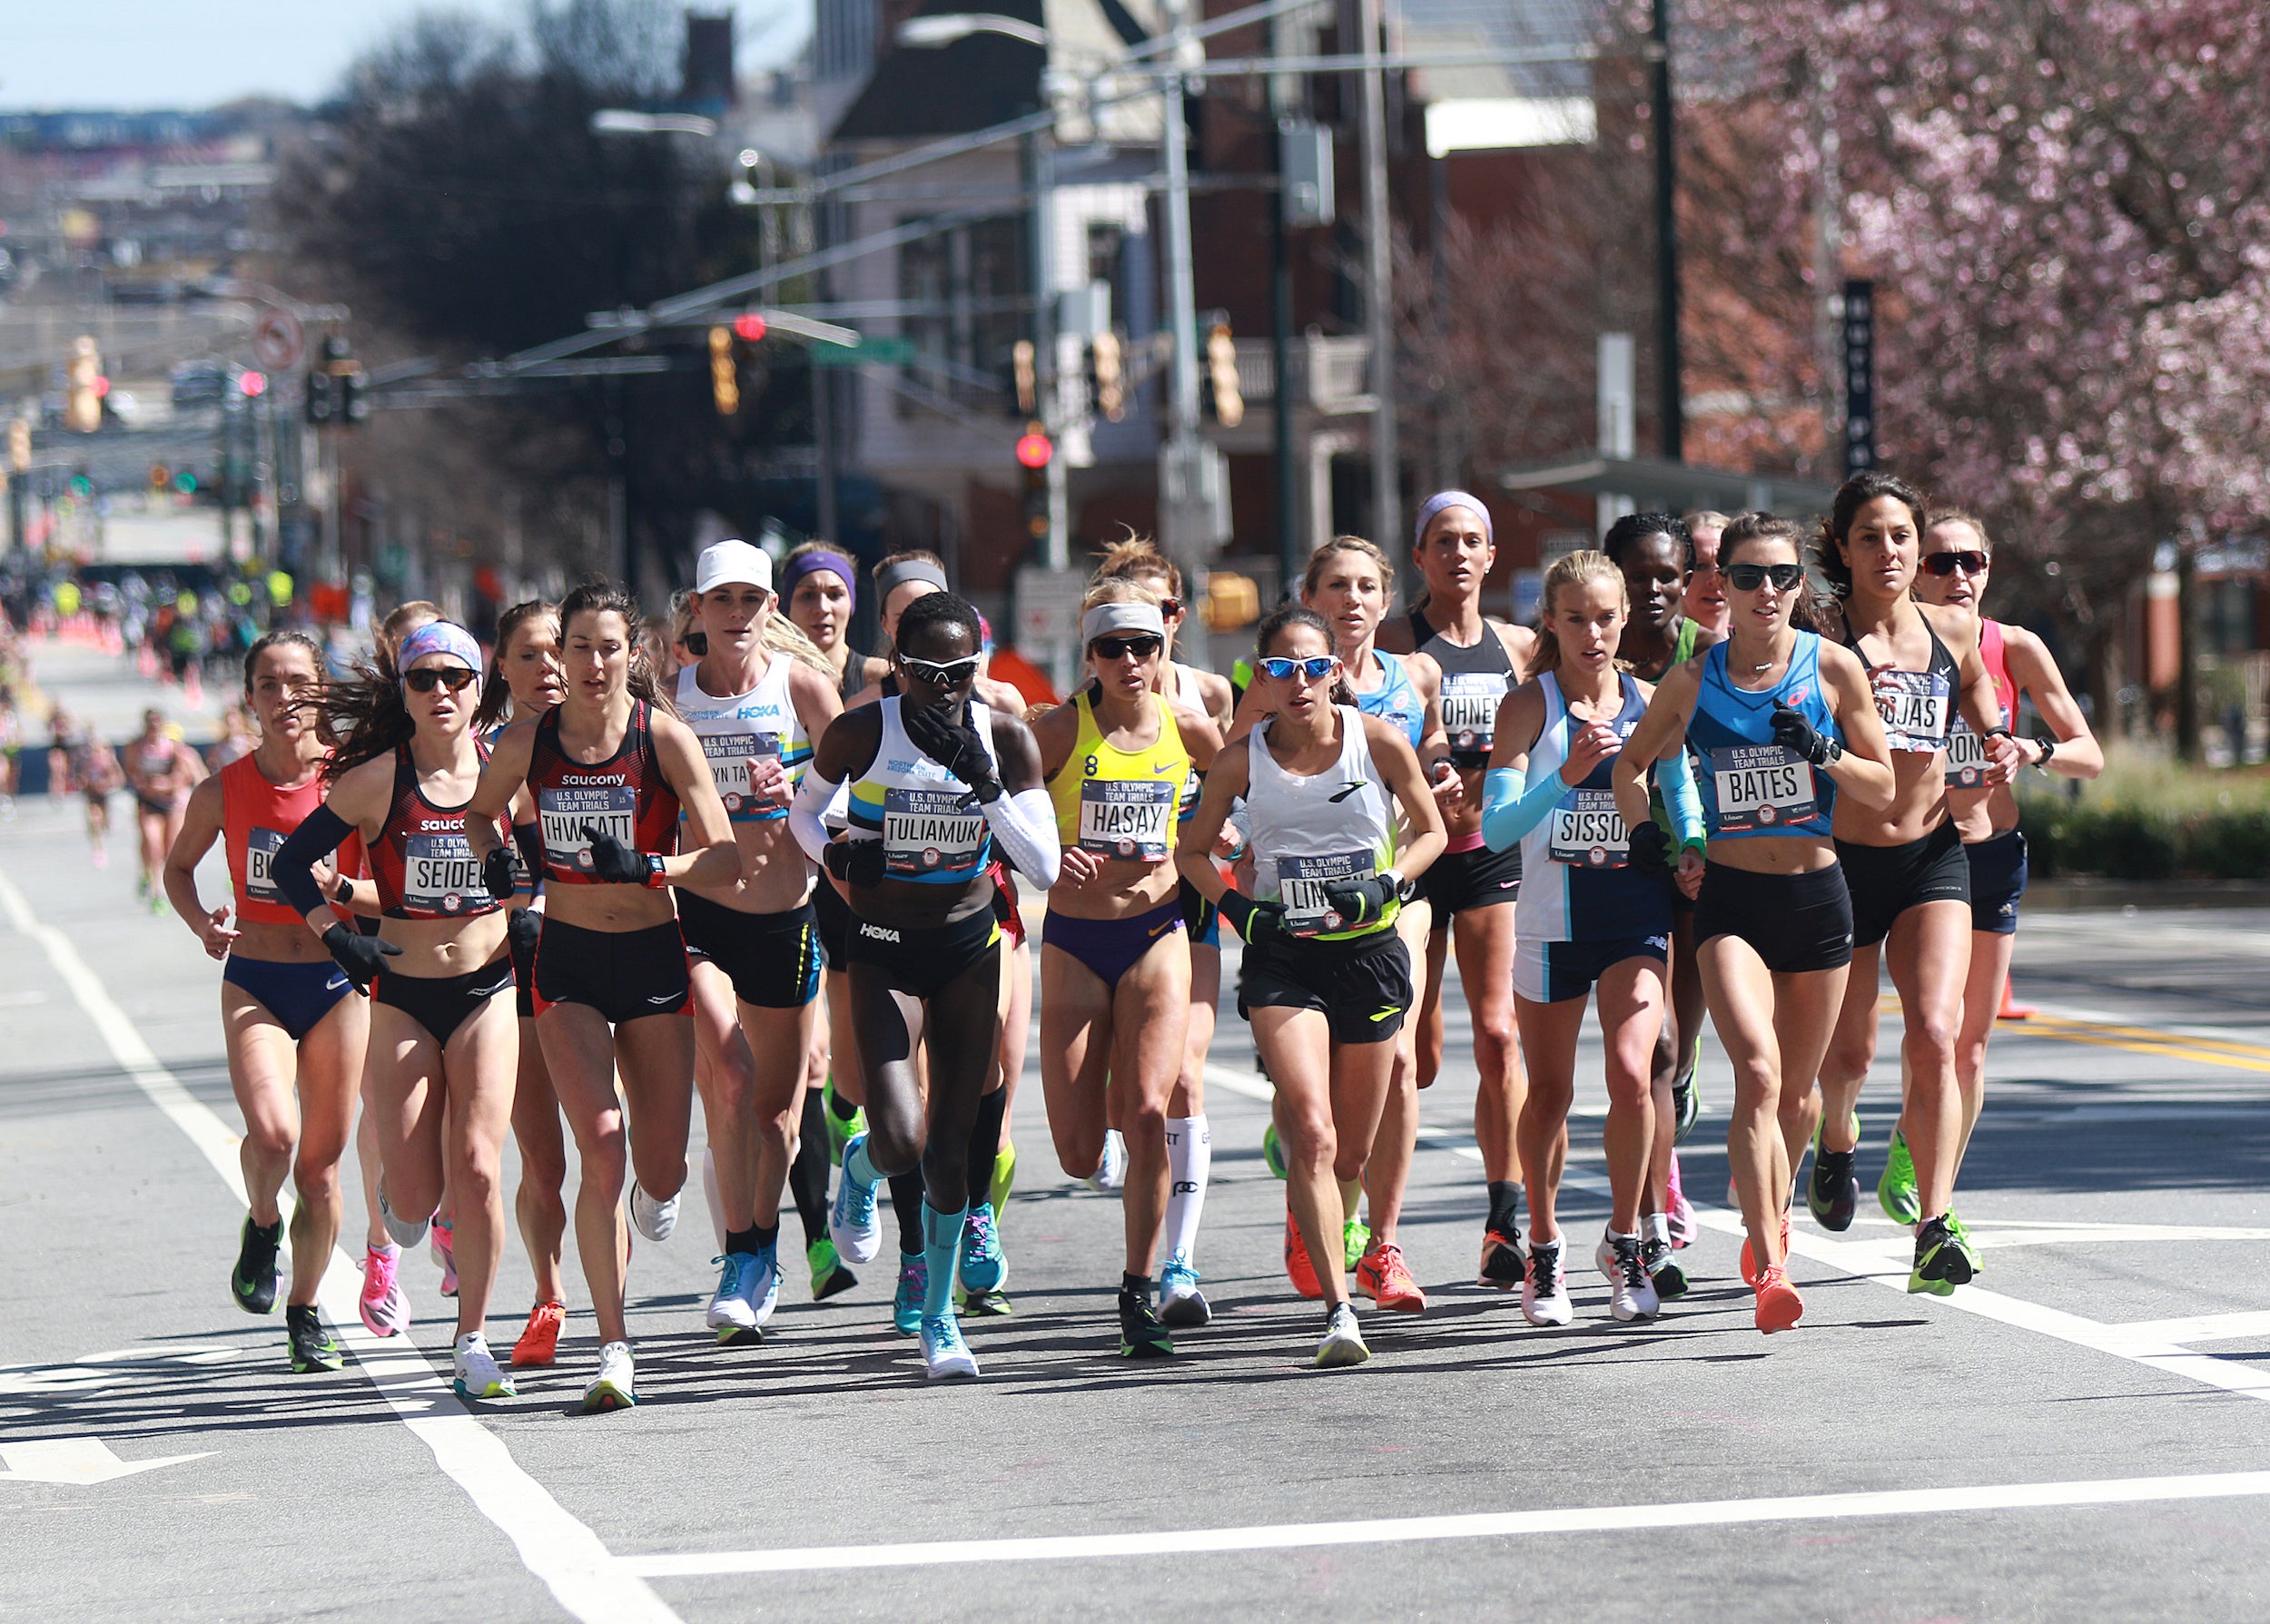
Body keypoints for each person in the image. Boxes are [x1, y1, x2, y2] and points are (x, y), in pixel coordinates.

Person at [1611, 512, 1895, 1333]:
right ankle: (1769, 1259)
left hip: (1817, 899)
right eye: (1745, 576)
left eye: (1779, 576)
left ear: (1799, 585)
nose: (1763, 591)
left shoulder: (1833, 667)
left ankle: (1776, 1208)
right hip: (1731, 904)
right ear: (1720, 586)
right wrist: (1653, 844)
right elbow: (1633, 768)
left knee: (1799, 1097)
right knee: (1761, 1079)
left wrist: (1821, 749)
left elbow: (1885, 790)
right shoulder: (1695, 678)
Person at [465, 580, 740, 1412]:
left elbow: (726, 857)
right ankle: (614, 1346)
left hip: (655, 958)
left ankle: (660, 1191)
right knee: (602, 1145)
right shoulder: (528, 739)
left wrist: (656, 866)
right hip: (569, 961)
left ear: (634, 654)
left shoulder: (665, 738)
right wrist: (498, 862)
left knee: (653, 1169)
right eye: (573, 647)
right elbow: (479, 816)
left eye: (605, 646)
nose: (588, 662)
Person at [788, 590, 1059, 1380]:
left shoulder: (1005, 738)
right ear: (898, 665)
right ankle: (863, 1172)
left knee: (952, 1158)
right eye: (926, 672)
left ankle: (940, 1320)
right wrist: (838, 860)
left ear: (979, 666)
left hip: (970, 949)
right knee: (902, 1139)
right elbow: (806, 818)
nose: (944, 689)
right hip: (881, 948)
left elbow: (1041, 865)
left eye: (960, 672)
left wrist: (987, 785)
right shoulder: (861, 730)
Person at [1178, 605, 1446, 1367]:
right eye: (1279, 668)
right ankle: (1338, 1313)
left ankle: (1325, 1218)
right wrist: (1241, 911)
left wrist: (1385, 887)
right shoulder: (1240, 759)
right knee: (1315, 1130)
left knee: (1351, 1152)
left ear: (1334, 670)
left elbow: (1428, 832)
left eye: (1312, 666)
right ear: (1259, 677)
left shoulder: (1379, 742)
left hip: (1368, 955)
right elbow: (1195, 852)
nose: (1297, 682)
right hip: (1283, 959)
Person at [271, 621, 531, 1399]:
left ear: (480, 689)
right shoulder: (376, 781)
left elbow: (556, 860)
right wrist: (336, 936)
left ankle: (474, 1338)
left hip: (488, 985)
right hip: (403, 996)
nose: (443, 691)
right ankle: (400, 1204)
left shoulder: (507, 776)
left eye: (457, 677)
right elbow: (289, 863)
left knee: (482, 1166)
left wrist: (532, 909)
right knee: (415, 1202)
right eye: (425, 680)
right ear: (406, 695)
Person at [1804, 473, 2023, 1295]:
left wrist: (1998, 739)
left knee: (1937, 1032)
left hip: (1933, 854)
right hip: (1844, 862)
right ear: (1844, 546)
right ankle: (1835, 1139)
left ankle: (1936, 1224)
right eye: (1871, 536)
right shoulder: (1818, 635)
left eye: (1902, 535)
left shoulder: (1951, 630)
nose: (1890, 551)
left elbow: (1978, 698)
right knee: (1852, 1049)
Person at [1234, 536, 1455, 1310]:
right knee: (1316, 1120)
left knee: (1387, 1085)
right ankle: (1334, 1270)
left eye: (1367, 585)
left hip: (1385, 913)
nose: (1353, 598)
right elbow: (1223, 821)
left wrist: (1387, 883)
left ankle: (1365, 1225)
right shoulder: (1257, 717)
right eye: (1337, 585)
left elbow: (1430, 813)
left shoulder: (1409, 683)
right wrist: (1240, 891)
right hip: (1290, 937)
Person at [1484, 550, 1703, 1324]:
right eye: (1575, 618)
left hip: (1632, 915)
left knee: (1632, 1071)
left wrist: (1691, 847)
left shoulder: (1649, 700)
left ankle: (1626, 1239)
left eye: (1605, 616)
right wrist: (1566, 775)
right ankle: (1544, 1250)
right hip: (1549, 923)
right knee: (1548, 1094)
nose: (1593, 632)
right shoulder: (1528, 706)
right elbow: (1496, 826)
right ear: (1550, 620)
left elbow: (1677, 787)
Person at [161, 631, 372, 1373]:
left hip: (336, 986)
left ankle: (306, 1311)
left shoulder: (351, 781)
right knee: (275, 1136)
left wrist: (348, 897)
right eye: (270, 685)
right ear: (250, 698)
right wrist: (201, 924)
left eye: (300, 683)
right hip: (255, 977)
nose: (287, 699)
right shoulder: (222, 788)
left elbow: (387, 878)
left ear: (322, 689)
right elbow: (179, 867)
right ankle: (260, 1223)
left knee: (320, 1170)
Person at [1031, 582, 1221, 1355]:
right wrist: (1050, 850)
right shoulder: (1056, 730)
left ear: (1163, 647)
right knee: (1079, 1152)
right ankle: (1110, 1153)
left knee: (1149, 1108)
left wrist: (1222, 839)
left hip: (1156, 932)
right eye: (1113, 648)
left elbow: (1244, 792)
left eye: (1144, 645)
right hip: (1075, 942)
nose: (1131, 661)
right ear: (1091, 656)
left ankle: (1140, 1288)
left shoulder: (1189, 727)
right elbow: (1002, 809)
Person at [672, 540, 844, 1342]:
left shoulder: (801, 685)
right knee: (731, 1078)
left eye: (750, 600)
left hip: (783, 915)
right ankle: (739, 1246)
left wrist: (804, 785)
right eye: (721, 601)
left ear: (769, 608)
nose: (736, 615)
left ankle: (760, 1256)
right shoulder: (670, 697)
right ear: (698, 610)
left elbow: (863, 777)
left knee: (776, 1111)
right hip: (698, 916)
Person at [1910, 510, 2103, 1188]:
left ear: (1989, 568)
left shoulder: (2014, 646)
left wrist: (2035, 748)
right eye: (1940, 562)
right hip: (1913, 857)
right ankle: (1852, 1123)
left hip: (1992, 851)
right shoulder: (1884, 647)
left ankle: (1936, 1186)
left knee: (1969, 1045)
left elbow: (2089, 753)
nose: (1958, 574)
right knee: (1924, 1033)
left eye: (1972, 561)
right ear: (1914, 571)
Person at [1378, 490, 1536, 1290]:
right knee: (1417, 1053)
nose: (1459, 554)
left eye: (1473, 540)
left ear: (1492, 554)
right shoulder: (1394, 641)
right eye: (1443, 541)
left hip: (1486, 852)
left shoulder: (1521, 645)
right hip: (1412, 855)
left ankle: (1502, 1217)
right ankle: (1376, 1231)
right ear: (1420, 557)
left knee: (1500, 1034)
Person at [1088, 535, 1235, 1319]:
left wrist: (1231, 829)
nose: (1143, 641)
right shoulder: (1087, 707)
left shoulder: (1207, 695)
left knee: (1184, 1073)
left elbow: (1246, 783)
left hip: (1187, 903)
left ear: (1177, 618)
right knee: (1128, 1089)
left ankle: (1176, 1263)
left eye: (1162, 616)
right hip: (1105, 914)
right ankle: (1127, 1149)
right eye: (1122, 632)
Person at [1603, 513, 1722, 1284]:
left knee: (1677, 1054)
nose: (1652, 589)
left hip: (1699, 859)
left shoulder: (1709, 656)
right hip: (1617, 864)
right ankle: (1656, 1215)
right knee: (1657, 1046)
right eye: (1637, 575)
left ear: (1687, 582)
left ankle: (1663, 1161)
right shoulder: (1590, 646)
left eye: (1666, 576)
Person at [470, 599, 575, 1367]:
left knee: (624, 1153)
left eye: (559, 652)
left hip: (619, 955)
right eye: (530, 656)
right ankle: (551, 1294)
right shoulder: (480, 756)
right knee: (546, 1160)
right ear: (501, 667)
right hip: (520, 967)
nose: (550, 670)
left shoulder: (621, 740)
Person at [783, 543, 888, 701]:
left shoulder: (883, 678)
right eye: (808, 595)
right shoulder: (768, 682)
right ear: (787, 604)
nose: (822, 608)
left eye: (835, 594)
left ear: (851, 603)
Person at [125, 707, 203, 909]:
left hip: (171, 803)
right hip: (148, 801)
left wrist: (166, 784)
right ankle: (155, 889)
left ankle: (167, 886)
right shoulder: (136, 747)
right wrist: (145, 786)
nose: (153, 727)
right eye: (149, 723)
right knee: (152, 844)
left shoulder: (173, 748)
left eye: (157, 723)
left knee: (170, 849)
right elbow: (132, 772)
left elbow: (186, 775)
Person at [1681, 512, 1731, 638]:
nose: (1714, 580)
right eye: (1700, 566)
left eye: (1723, 566)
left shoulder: (1760, 650)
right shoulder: (1656, 654)